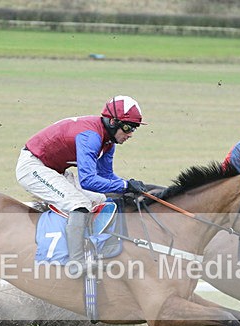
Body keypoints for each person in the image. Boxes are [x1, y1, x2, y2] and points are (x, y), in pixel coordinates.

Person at [16, 95, 148, 275]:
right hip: (33, 166)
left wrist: (130, 186)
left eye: (134, 128)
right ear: (112, 122)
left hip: (54, 170)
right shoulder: (91, 136)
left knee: (101, 199)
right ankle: (76, 262)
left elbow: (105, 176)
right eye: (127, 127)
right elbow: (88, 181)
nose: (130, 134)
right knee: (80, 204)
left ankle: (93, 247)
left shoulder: (109, 142)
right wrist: (124, 185)